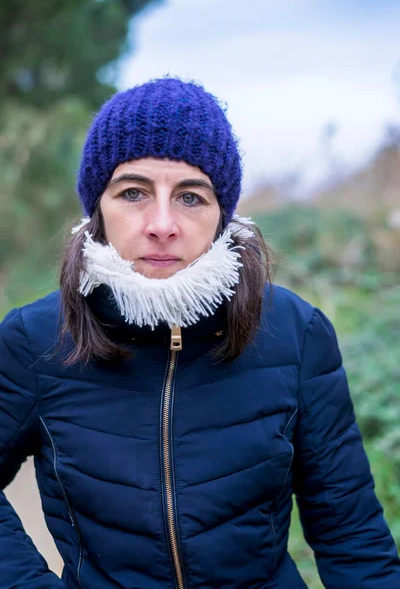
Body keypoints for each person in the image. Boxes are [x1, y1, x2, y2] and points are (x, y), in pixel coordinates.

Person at [0, 77, 399, 589]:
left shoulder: (297, 335)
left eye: (190, 196)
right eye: (133, 192)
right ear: (97, 210)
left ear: (221, 214)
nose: (162, 223)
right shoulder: (35, 340)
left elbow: (351, 533)